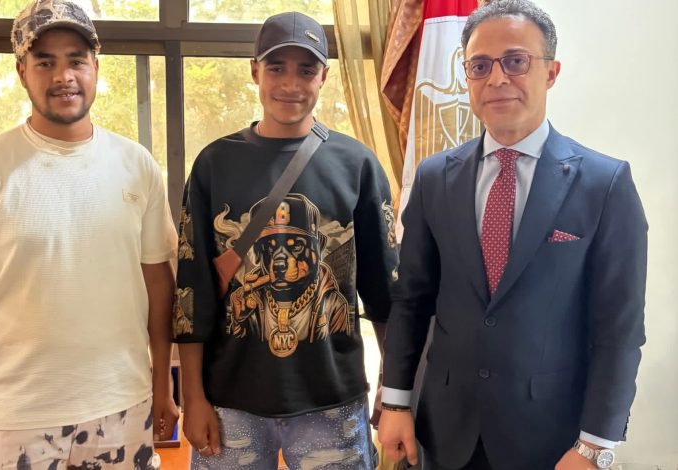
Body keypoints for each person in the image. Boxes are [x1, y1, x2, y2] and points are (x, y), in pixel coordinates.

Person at [377, 1, 647, 469]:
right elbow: (412, 300)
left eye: (516, 61)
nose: (497, 79)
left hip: (553, 440)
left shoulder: (605, 184)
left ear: (551, 72)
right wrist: (395, 402)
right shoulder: (435, 177)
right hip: (445, 433)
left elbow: (618, 330)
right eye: (480, 66)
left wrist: (594, 446)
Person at [0, 1, 179, 469]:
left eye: (76, 60)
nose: (64, 76)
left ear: (96, 66)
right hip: (14, 420)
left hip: (124, 407)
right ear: (22, 72)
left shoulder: (136, 165)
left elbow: (158, 286)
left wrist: (163, 385)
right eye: (45, 62)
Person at [171, 11, 398, 469]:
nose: (291, 84)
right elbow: (192, 293)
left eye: (306, 70)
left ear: (324, 76)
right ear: (255, 71)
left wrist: (392, 390)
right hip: (229, 400)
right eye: (277, 68)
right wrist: (192, 397)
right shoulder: (215, 163)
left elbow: (385, 292)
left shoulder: (356, 164)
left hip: (331, 400)